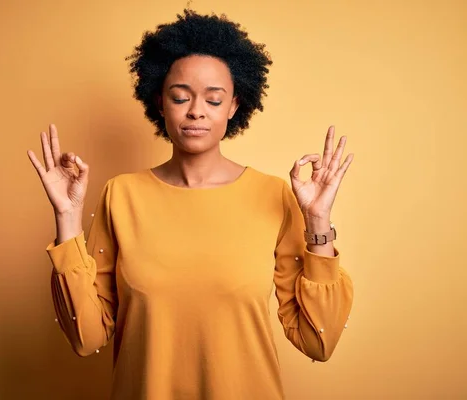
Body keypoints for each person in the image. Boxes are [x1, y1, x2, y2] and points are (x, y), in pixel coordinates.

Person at [27, 8, 354, 400]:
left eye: (213, 100)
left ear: (234, 106)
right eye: (180, 97)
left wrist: (317, 219)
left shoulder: (273, 196)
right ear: (160, 103)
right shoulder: (122, 196)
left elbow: (318, 340)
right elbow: (86, 337)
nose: (196, 110)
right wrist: (66, 217)